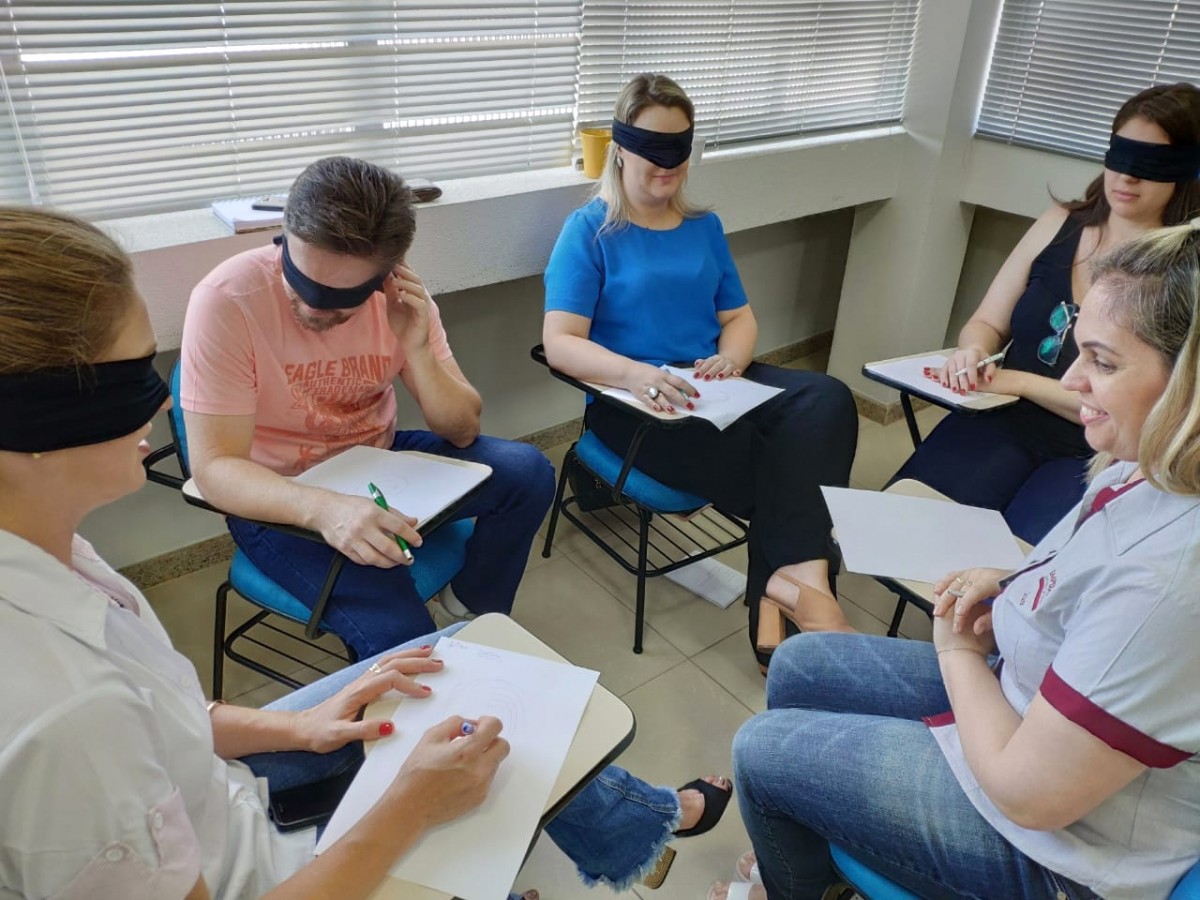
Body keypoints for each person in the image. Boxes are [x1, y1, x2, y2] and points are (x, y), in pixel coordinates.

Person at [0, 206, 735, 899]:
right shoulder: (66, 713)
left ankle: (585, 795)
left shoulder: (64, 560)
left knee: (451, 644)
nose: (165, 404)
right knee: (430, 669)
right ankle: (614, 831)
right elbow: (215, 470)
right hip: (279, 520)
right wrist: (408, 810)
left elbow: (168, 718)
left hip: (222, 779)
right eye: (132, 379)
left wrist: (297, 727)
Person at [719, 220, 1200, 899]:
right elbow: (1092, 582)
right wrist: (1014, 587)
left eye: (1103, 362)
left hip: (1061, 855)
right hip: (1027, 708)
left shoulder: (1170, 582)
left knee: (762, 753)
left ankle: (792, 875)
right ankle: (812, 856)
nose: (1072, 380)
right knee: (801, 663)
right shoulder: (1142, 466)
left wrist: (954, 650)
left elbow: (1029, 795)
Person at [181, 156, 556, 661]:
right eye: (303, 282)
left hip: (376, 457)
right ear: (285, 238)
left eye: (344, 298)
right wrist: (324, 509)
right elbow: (214, 469)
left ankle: (470, 607)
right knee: (403, 637)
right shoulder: (227, 300)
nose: (315, 308)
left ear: (386, 276)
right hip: (279, 494)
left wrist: (416, 348)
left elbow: (463, 430)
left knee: (526, 473)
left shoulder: (401, 301)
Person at [542, 73, 859, 669]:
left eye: (679, 150)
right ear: (620, 148)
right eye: (653, 150)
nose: (668, 166)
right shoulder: (589, 231)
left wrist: (732, 359)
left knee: (829, 400)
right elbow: (559, 343)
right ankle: (800, 595)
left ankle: (795, 586)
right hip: (635, 406)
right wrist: (635, 375)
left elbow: (738, 317)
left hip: (713, 385)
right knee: (784, 461)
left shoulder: (703, 228)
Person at [890, 82, 1200, 544]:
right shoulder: (1058, 222)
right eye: (1120, 155)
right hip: (1001, 417)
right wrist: (973, 351)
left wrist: (1017, 382)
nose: (1127, 177)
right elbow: (987, 322)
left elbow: (1155, 409)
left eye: (1150, 164)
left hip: (1098, 449)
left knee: (1017, 569)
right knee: (906, 529)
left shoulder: (1184, 272)